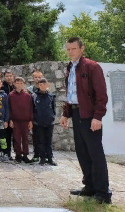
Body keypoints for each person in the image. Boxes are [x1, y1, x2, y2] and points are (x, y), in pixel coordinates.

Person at [60, 37, 111, 204]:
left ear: (82, 49)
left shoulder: (92, 66)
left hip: (89, 116)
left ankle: (103, 194)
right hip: (76, 114)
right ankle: (89, 188)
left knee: (96, 155)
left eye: (73, 49)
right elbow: (71, 94)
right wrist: (65, 113)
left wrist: (97, 117)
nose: (70, 52)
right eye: (68, 49)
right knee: (82, 153)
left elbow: (101, 95)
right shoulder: (70, 67)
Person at [32, 78, 57, 166]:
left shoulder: (51, 96)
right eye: (40, 85)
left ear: (47, 85)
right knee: (40, 141)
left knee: (49, 142)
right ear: (38, 86)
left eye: (44, 84)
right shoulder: (34, 96)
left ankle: (50, 158)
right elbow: (32, 109)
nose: (42, 86)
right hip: (38, 123)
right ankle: (42, 158)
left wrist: (53, 117)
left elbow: (53, 108)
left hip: (49, 122)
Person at [9, 77, 33, 164]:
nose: (19, 85)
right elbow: (9, 108)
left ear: (23, 84)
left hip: (25, 120)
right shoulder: (11, 95)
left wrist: (30, 120)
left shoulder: (27, 95)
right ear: (14, 84)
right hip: (15, 120)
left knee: (25, 138)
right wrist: (10, 119)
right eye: (17, 83)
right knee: (16, 138)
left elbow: (30, 108)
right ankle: (18, 155)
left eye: (21, 83)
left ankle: (25, 155)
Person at [28, 70, 44, 162]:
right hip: (34, 115)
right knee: (36, 137)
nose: (38, 79)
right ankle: (36, 154)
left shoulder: (45, 88)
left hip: (44, 116)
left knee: (45, 137)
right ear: (33, 79)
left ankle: (45, 155)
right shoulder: (29, 89)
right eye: (36, 77)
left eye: (39, 77)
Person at [1, 69, 15, 160]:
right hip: (2, 115)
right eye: (7, 76)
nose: (9, 77)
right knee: (3, 135)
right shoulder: (2, 87)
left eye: (10, 75)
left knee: (11, 135)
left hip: (13, 115)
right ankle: (2, 153)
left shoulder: (15, 86)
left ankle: (9, 153)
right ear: (4, 77)